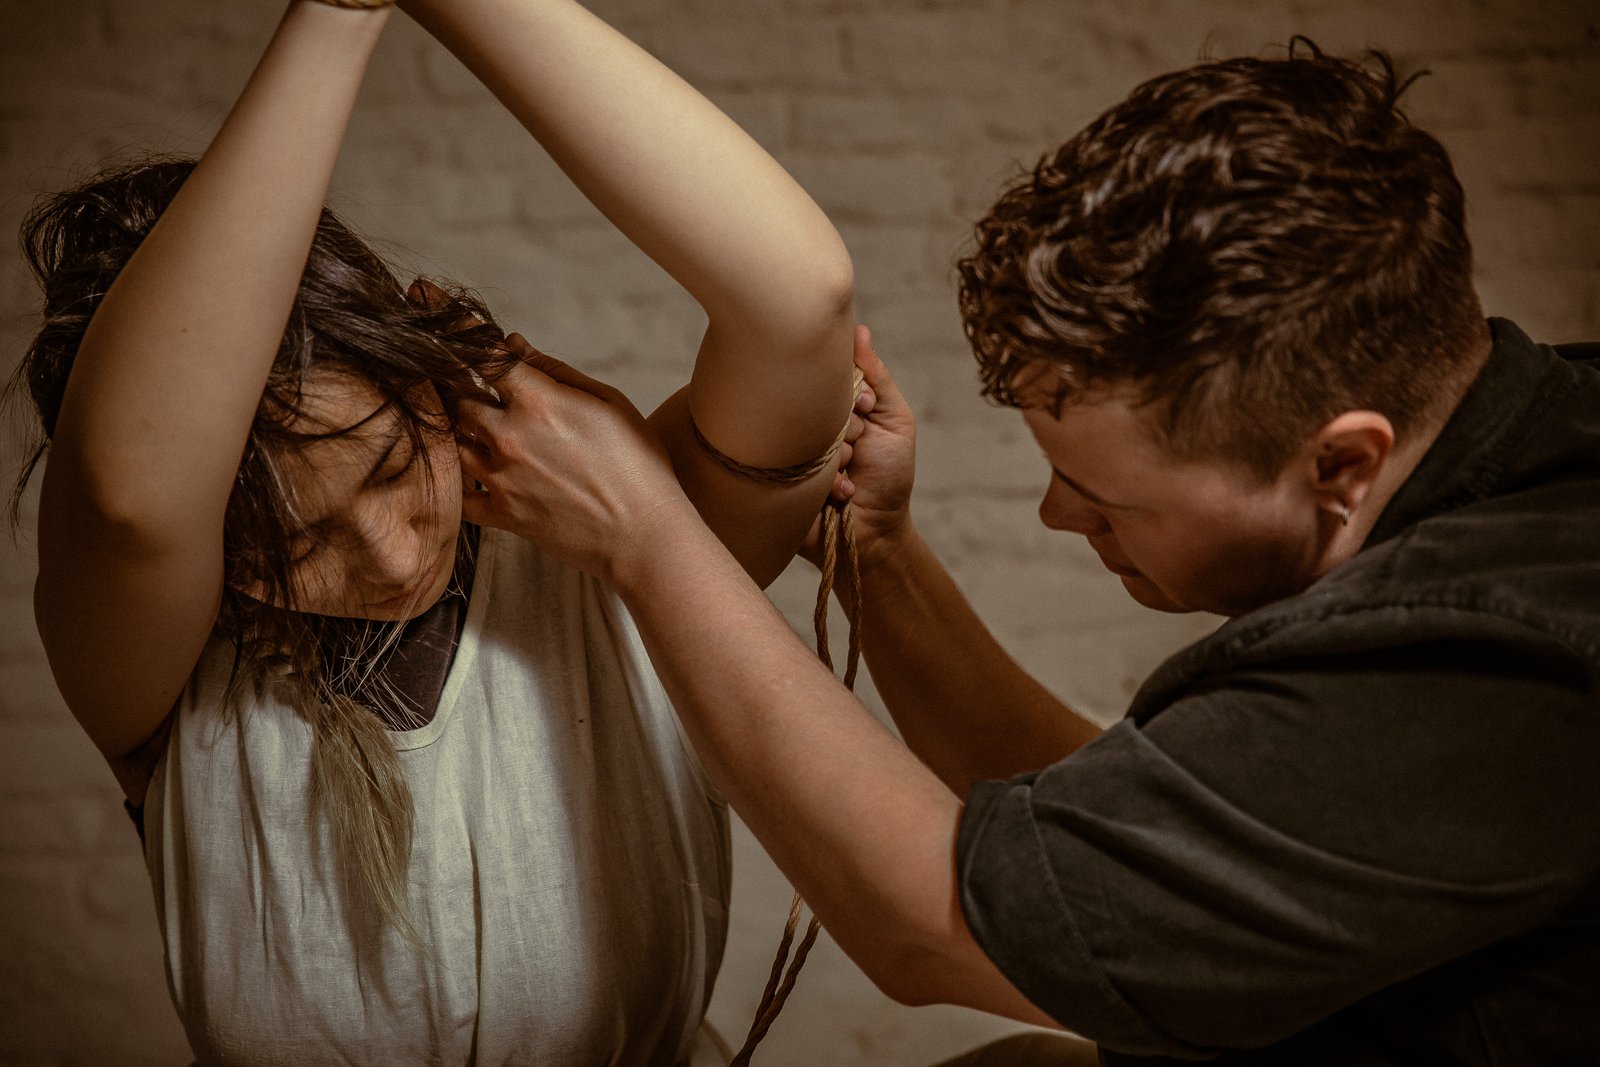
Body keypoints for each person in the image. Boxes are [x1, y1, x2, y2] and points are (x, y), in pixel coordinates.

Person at [450, 39, 1600, 1065]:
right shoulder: (1530, 439)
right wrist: (877, 555)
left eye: (1104, 495)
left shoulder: (1499, 649)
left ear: (1341, 462)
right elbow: (1132, 859)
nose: (1056, 514)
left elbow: (926, 926)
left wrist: (643, 531)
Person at [11, 0, 860, 1062]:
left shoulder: (620, 547)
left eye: (393, 466)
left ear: (431, 370)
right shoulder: (158, 668)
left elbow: (801, 303)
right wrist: (332, 19)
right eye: (293, 545)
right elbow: (131, 495)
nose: (392, 555)